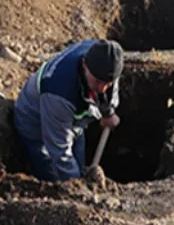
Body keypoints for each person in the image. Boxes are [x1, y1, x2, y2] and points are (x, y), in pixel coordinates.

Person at [13, 39, 123, 183]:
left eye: (107, 83)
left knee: (78, 165)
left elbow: (108, 87)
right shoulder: (59, 92)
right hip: (35, 123)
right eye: (97, 82)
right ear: (84, 65)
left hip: (73, 121)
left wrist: (108, 112)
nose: (102, 89)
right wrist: (77, 186)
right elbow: (60, 152)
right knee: (55, 177)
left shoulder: (106, 60)